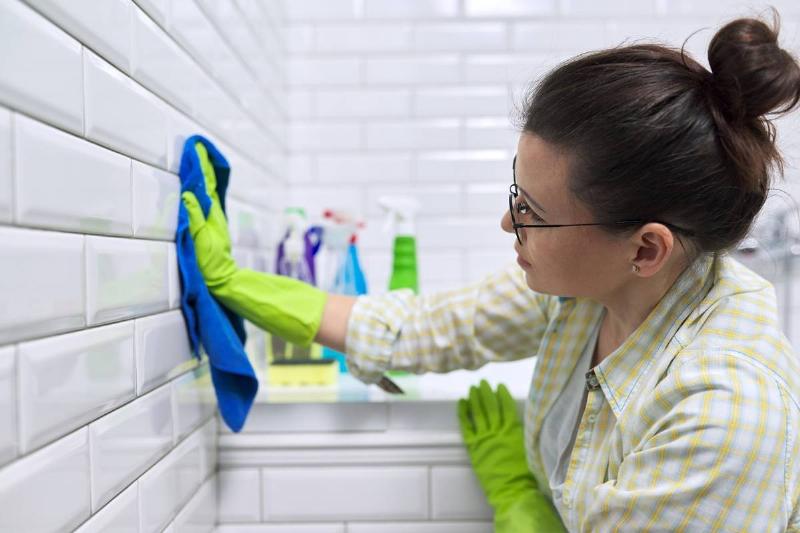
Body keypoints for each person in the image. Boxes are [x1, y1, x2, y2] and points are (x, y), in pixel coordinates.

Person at [181, 9, 800, 532]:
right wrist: (238, 284)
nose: (509, 224)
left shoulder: (722, 416)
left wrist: (519, 505)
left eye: (532, 212)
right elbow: (426, 329)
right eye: (516, 193)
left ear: (645, 250)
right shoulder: (589, 292)